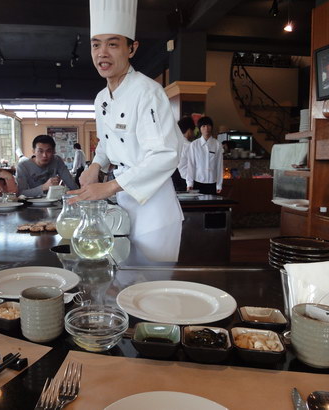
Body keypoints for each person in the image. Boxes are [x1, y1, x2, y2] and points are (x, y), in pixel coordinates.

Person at [68, 0, 184, 262]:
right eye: (96, 44)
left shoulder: (148, 92)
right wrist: (95, 165)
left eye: (112, 44)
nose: (102, 53)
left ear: (131, 49)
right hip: (125, 204)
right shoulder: (101, 98)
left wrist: (109, 187)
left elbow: (165, 154)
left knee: (151, 291)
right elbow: (107, 143)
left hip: (154, 210)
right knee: (124, 282)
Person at [185, 116, 224, 195]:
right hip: (198, 182)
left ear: (211, 127)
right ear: (200, 128)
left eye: (208, 125)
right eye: (203, 126)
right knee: (199, 206)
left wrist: (219, 184)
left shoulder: (217, 144)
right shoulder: (194, 145)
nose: (206, 128)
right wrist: (189, 183)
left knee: (212, 206)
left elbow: (219, 166)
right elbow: (191, 165)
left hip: (212, 183)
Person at [171, 116, 196, 191]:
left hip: (173, 178)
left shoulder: (173, 143)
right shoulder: (190, 146)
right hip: (185, 179)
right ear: (189, 130)